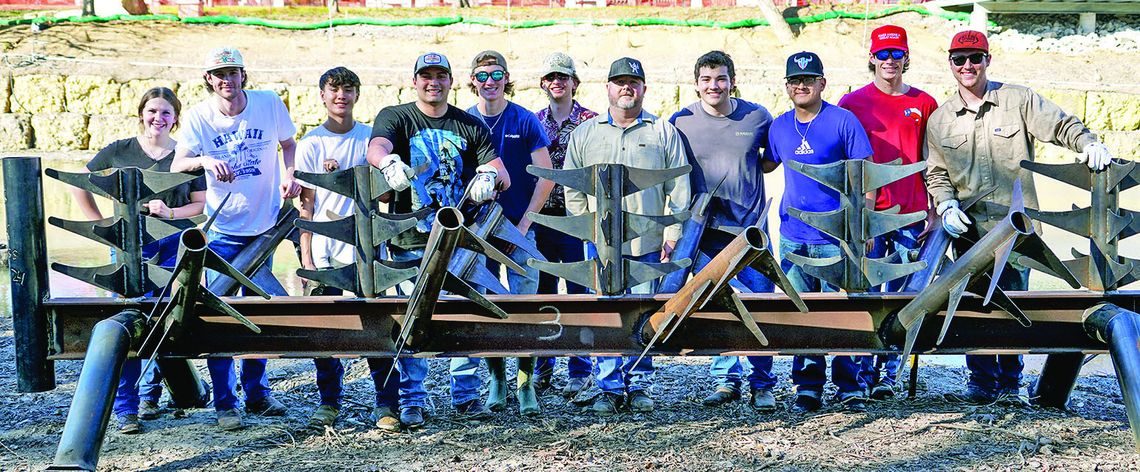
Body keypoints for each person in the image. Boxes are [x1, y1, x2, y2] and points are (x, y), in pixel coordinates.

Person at [925, 30, 1113, 405]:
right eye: (959, 60)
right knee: (974, 306)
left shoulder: (1017, 100)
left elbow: (1059, 125)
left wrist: (1088, 142)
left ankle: (1010, 383)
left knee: (1014, 303)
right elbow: (936, 172)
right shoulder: (941, 120)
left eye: (975, 58)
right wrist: (946, 205)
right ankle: (980, 382)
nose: (967, 66)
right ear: (949, 64)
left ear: (987, 60)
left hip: (1016, 231)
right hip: (970, 233)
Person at [365, 52, 510, 428]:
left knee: (467, 316)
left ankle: (466, 394)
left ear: (450, 80)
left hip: (460, 241)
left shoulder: (468, 124)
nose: (433, 82)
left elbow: (500, 171)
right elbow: (375, 147)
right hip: (409, 239)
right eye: (426, 76)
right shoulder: (396, 116)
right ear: (414, 80)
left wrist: (488, 179)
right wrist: (387, 163)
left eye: (440, 76)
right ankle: (413, 399)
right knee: (412, 321)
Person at [171, 46, 299, 431]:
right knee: (218, 316)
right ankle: (226, 403)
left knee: (259, 312)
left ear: (244, 74)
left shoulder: (268, 103)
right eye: (218, 74)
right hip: (222, 230)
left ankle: (258, 394)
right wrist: (205, 161)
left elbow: (288, 143)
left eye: (233, 72)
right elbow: (179, 163)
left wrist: (289, 174)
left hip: (263, 227)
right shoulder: (198, 116)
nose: (226, 79)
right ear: (209, 79)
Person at [71, 87, 206, 434]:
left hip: (174, 243)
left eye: (165, 112)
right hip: (130, 248)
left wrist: (172, 211)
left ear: (176, 117)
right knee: (126, 320)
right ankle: (126, 409)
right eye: (152, 111)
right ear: (141, 113)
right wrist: (102, 225)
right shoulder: (120, 150)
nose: (158, 118)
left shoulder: (187, 154)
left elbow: (201, 205)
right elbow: (80, 183)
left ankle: (152, 393)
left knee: (168, 318)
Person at [564, 56, 691, 415]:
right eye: (619, 82)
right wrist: (585, 225)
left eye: (633, 82)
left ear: (644, 89)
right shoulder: (586, 133)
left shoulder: (662, 132)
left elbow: (678, 187)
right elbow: (573, 185)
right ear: (607, 88)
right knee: (606, 314)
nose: (626, 88)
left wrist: (672, 231)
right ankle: (607, 386)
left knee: (641, 314)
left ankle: (639, 384)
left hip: (646, 245)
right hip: (601, 246)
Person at [668, 51, 779, 412]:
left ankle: (762, 383)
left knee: (761, 305)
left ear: (732, 79)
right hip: (705, 233)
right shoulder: (681, 122)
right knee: (717, 305)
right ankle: (725, 379)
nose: (713, 86)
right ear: (696, 83)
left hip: (750, 232)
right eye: (706, 79)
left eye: (720, 78)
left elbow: (770, 160)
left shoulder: (758, 116)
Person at [763, 51, 873, 413]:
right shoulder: (778, 127)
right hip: (794, 235)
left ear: (822, 83)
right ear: (787, 86)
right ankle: (807, 386)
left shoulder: (843, 121)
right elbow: (764, 164)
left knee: (842, 313)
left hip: (837, 237)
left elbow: (865, 177)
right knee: (802, 314)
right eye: (794, 80)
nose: (801, 85)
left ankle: (848, 385)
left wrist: (863, 224)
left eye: (808, 80)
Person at [295, 66, 403, 432]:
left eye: (348, 89)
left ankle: (387, 402)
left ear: (358, 95)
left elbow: (387, 195)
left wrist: (351, 174)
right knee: (323, 327)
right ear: (322, 96)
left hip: (364, 245)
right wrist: (306, 255)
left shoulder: (370, 140)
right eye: (334, 89)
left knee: (377, 323)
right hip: (324, 246)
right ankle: (329, 401)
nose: (341, 96)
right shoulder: (311, 144)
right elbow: (306, 204)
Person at [837, 25, 938, 401]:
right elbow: (845, 161)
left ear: (906, 58)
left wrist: (933, 208)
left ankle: (889, 371)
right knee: (864, 294)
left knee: (903, 298)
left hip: (910, 215)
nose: (890, 61)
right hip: (868, 215)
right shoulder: (851, 103)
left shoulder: (925, 103)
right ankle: (860, 372)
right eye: (883, 54)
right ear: (872, 58)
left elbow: (933, 160)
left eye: (897, 54)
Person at [448, 50, 551, 417]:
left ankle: (525, 382)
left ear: (507, 78)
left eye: (496, 75)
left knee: (524, 306)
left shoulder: (523, 119)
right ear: (471, 81)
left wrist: (525, 224)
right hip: (477, 233)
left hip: (519, 230)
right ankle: (497, 380)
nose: (489, 82)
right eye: (481, 76)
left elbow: (546, 174)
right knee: (486, 307)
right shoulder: (461, 121)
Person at [531, 52, 599, 398]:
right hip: (543, 219)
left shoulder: (591, 122)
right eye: (550, 77)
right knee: (543, 293)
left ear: (574, 82)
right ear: (542, 83)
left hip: (577, 221)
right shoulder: (533, 121)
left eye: (562, 76)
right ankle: (542, 366)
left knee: (579, 296)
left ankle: (580, 368)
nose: (556, 82)